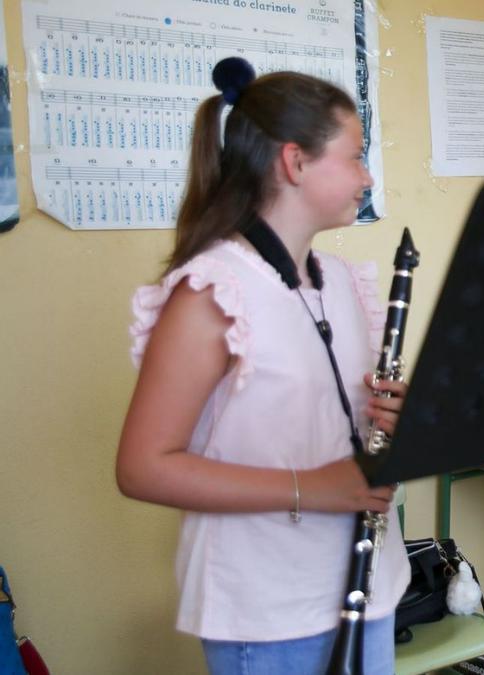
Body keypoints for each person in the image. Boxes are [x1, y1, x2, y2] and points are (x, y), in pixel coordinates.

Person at [116, 57, 409, 675]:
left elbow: (337, 431)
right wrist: (313, 489)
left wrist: (399, 418)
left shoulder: (344, 284)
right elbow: (142, 469)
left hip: (367, 591)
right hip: (268, 611)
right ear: (295, 161)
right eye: (355, 156)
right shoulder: (212, 291)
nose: (367, 175)